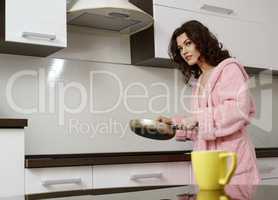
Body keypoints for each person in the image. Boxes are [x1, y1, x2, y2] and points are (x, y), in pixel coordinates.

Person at [156, 20, 260, 184]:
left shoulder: (229, 68)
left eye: (188, 43)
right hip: (208, 165)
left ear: (201, 41)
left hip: (233, 163)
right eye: (180, 48)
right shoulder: (200, 80)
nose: (184, 51)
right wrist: (174, 126)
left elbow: (238, 109)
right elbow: (203, 127)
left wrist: (197, 119)